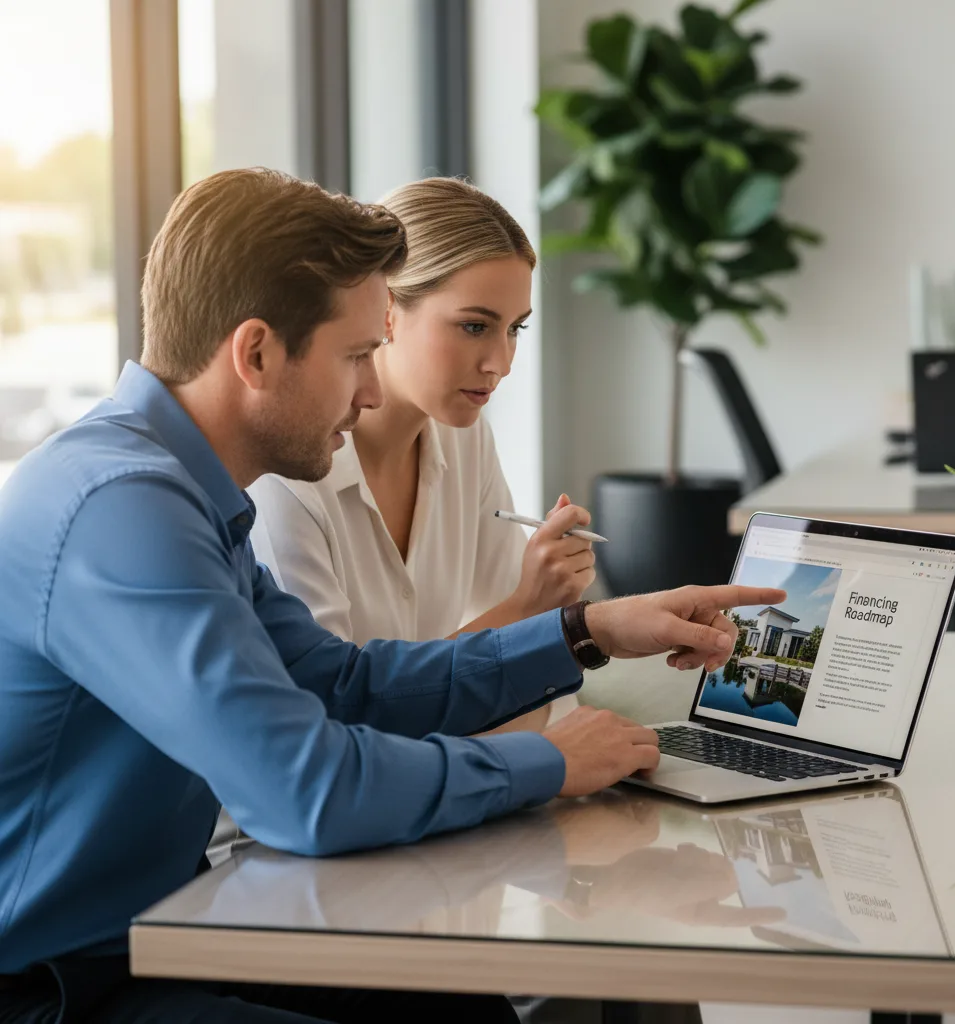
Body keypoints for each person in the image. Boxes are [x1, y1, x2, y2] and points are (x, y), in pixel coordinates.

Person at [0, 167, 783, 1024]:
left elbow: (343, 683)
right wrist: (549, 764)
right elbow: (309, 791)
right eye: (357, 354)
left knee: (464, 1008)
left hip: (152, 936)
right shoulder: (120, 508)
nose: (373, 390)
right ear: (256, 353)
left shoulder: (180, 492)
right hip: (58, 986)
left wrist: (585, 631)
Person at [249, 177, 588, 734]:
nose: (499, 362)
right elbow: (331, 725)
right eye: (474, 326)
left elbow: (524, 666)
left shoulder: (465, 438)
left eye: (514, 330)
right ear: (385, 308)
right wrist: (531, 604)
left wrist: (540, 614)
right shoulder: (289, 474)